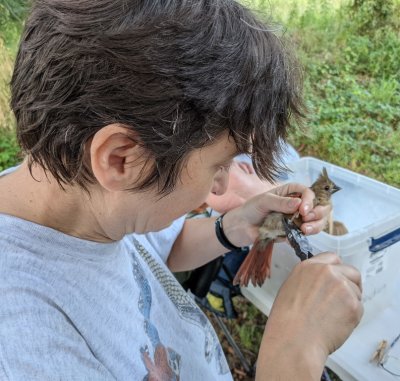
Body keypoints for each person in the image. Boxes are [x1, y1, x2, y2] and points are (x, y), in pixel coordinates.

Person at [0, 1, 363, 380]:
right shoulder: (24, 344)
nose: (223, 184)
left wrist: (232, 226)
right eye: (220, 165)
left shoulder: (73, 194)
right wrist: (292, 355)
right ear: (121, 159)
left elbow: (161, 248)